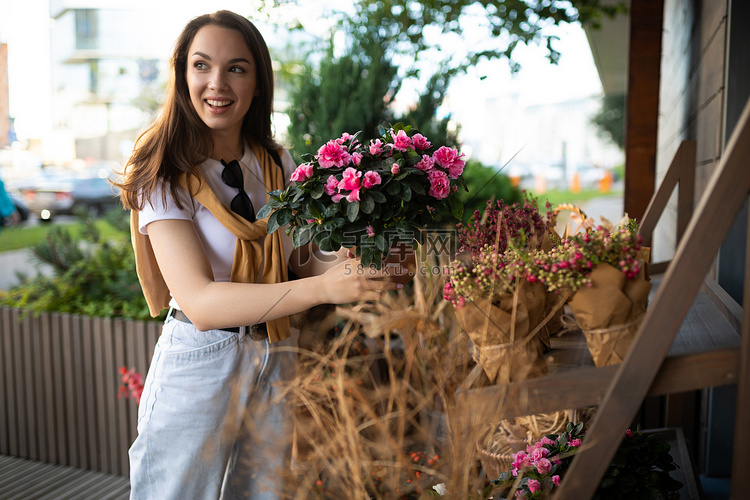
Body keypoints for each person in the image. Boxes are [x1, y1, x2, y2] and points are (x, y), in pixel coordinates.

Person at [116, 10, 401, 499]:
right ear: (183, 74)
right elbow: (202, 303)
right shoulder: (162, 170)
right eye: (202, 66)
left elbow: (305, 257)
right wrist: (320, 288)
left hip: (274, 353)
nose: (217, 83)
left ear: (257, 82)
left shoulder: (274, 161)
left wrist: (370, 265)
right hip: (201, 362)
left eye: (236, 68)